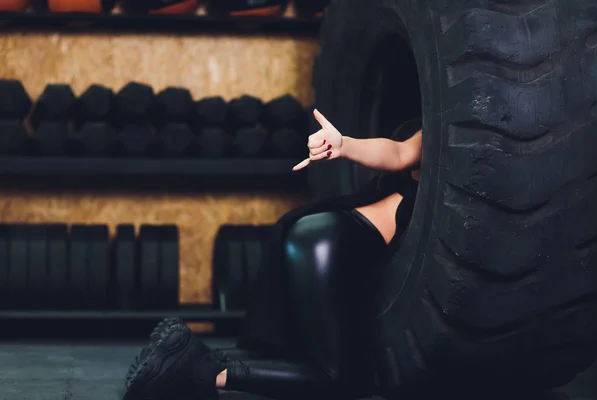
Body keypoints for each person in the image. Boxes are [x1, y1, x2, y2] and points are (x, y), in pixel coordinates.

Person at [122, 110, 424, 400]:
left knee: (335, 368)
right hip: (329, 243)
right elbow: (397, 153)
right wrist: (344, 144)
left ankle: (184, 365)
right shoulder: (438, 140)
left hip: (322, 238)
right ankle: (197, 368)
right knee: (340, 381)